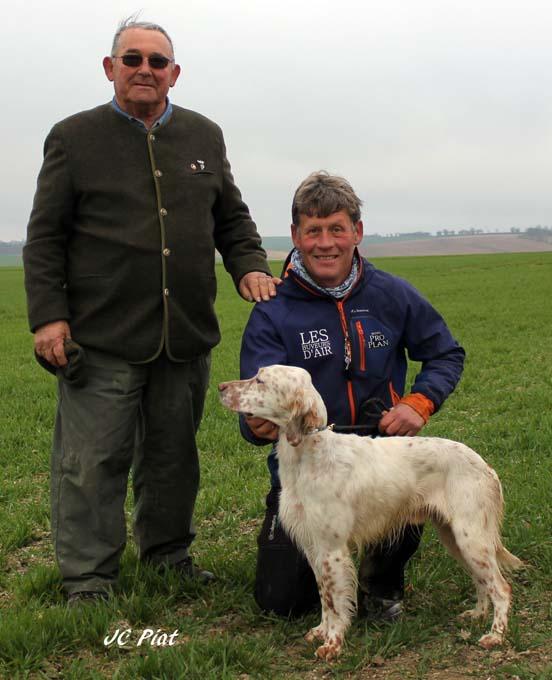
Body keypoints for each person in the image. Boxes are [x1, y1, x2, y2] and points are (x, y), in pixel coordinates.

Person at [23, 18, 278, 604]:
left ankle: (167, 557)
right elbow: (45, 238)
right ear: (110, 67)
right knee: (92, 463)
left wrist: (250, 266)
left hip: (183, 334)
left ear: (174, 73)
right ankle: (88, 579)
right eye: (132, 58)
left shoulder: (204, 136)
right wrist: (49, 317)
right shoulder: (73, 137)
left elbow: (232, 219)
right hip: (103, 335)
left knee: (172, 461)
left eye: (157, 61)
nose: (145, 69)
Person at [239, 171, 465, 619]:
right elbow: (255, 398)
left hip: (380, 466)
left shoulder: (392, 295)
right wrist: (255, 424)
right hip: (307, 473)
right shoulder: (274, 310)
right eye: (314, 231)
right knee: (282, 604)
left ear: (357, 232)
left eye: (337, 229)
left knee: (405, 495)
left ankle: (381, 580)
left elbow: (446, 353)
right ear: (295, 236)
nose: (326, 243)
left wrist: (419, 403)